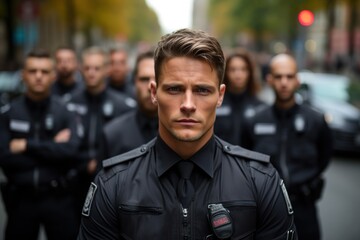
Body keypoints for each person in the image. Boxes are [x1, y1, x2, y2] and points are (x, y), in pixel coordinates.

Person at [77, 29, 297, 239]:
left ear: (220, 96)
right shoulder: (113, 183)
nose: (188, 105)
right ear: (154, 93)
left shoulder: (261, 181)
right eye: (175, 89)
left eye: (202, 90)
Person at [242, 53, 332, 240]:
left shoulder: (315, 120)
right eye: (278, 76)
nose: (284, 82)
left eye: (289, 76)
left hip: (304, 209)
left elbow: (324, 157)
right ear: (270, 79)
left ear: (297, 80)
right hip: (265, 210)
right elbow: (245, 160)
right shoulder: (254, 121)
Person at [0, 49, 80, 240]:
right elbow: (4, 157)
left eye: (44, 72)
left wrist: (27, 146)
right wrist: (52, 147)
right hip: (21, 200)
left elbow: (70, 152)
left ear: (53, 76)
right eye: (32, 71)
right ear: (23, 75)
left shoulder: (65, 112)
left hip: (59, 198)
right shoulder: (8, 113)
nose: (38, 76)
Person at [66, 46, 136, 219]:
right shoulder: (68, 104)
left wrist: (100, 164)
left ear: (106, 70)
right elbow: (61, 144)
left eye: (96, 68)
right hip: (74, 182)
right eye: (87, 68)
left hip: (111, 183)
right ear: (81, 69)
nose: (91, 73)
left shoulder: (124, 106)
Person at [102, 50, 158, 158]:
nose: (150, 87)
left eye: (157, 79)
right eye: (144, 79)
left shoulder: (182, 135)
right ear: (134, 82)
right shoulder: (112, 134)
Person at [214, 48, 266, 145]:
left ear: (250, 72)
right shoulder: (216, 103)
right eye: (232, 69)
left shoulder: (260, 107)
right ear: (225, 73)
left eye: (243, 69)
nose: (238, 74)